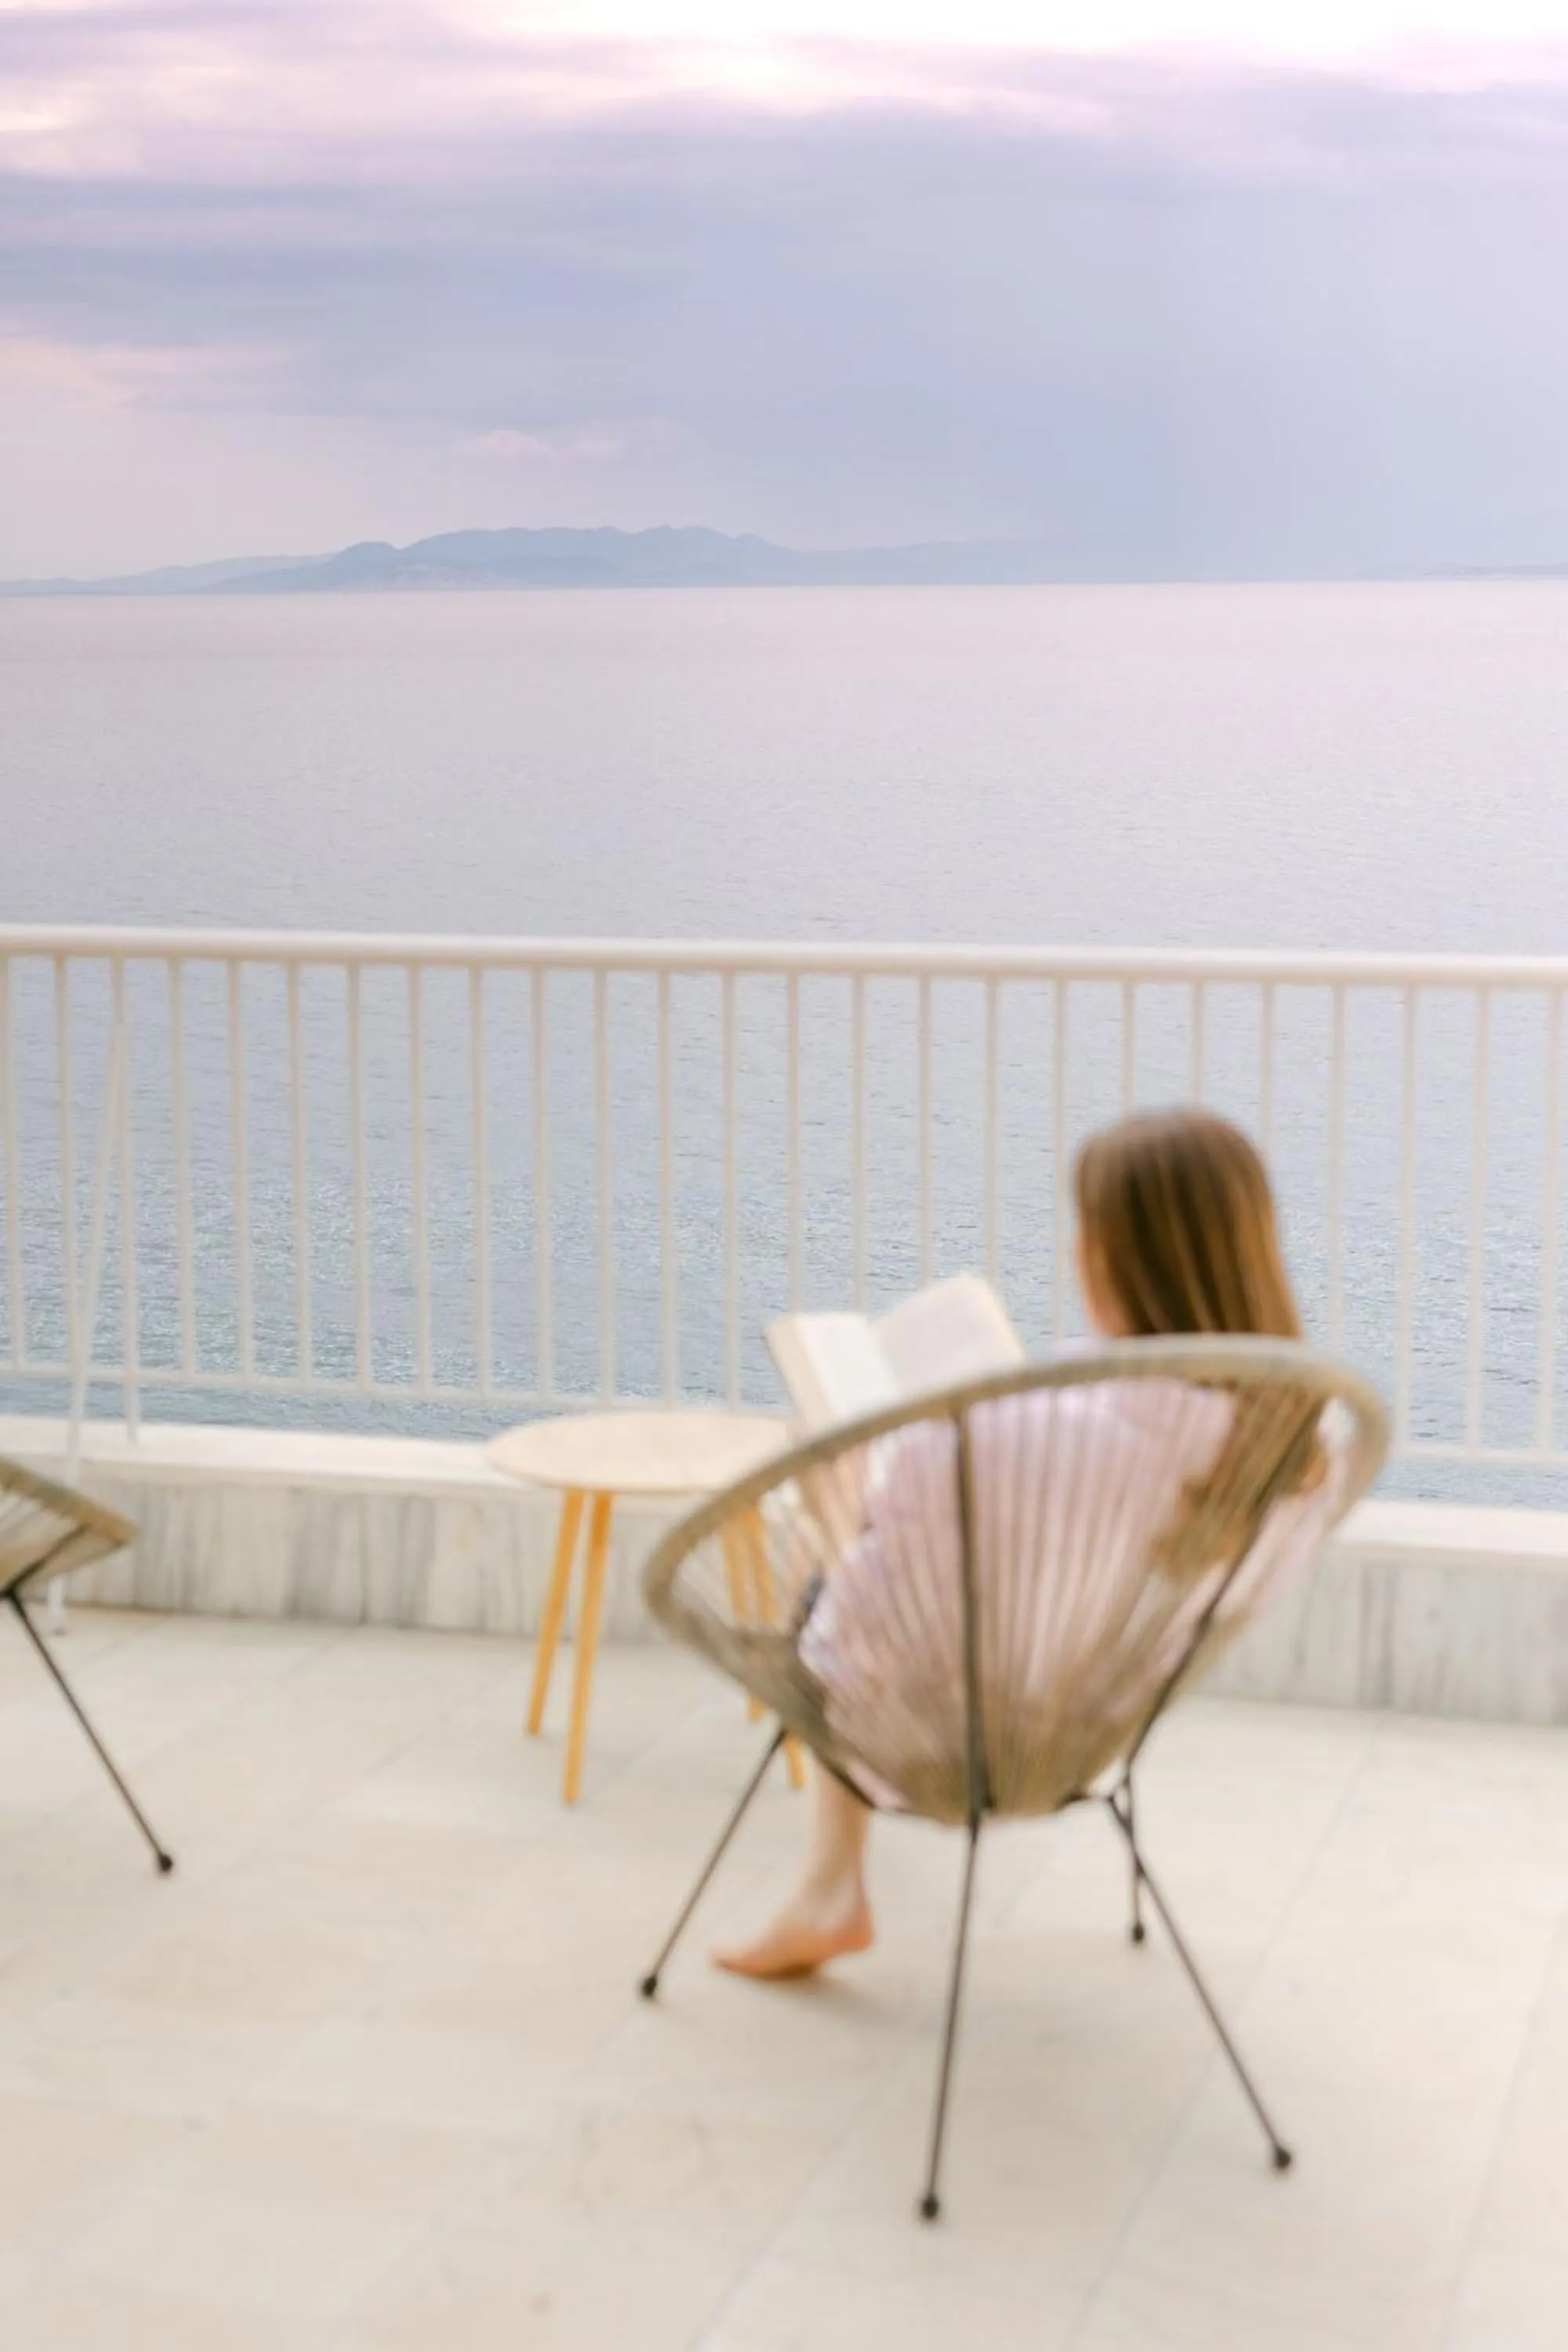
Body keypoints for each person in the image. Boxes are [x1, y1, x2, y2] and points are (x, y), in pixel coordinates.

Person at [714, 1105, 1345, 1981]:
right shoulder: (1304, 1444)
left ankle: (829, 1887)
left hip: (942, 1738)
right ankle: (828, 1890)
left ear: (1108, 1259)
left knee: (823, 1553)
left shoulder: (994, 1439)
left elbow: (844, 1649)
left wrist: (839, 1515)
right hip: (1095, 1722)